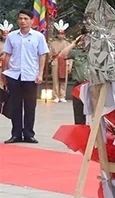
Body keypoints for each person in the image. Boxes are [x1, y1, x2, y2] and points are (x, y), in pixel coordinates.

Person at [1, 8, 49, 144]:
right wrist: (4, 73)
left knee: (30, 106)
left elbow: (42, 56)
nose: (22, 21)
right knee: (15, 105)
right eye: (20, 18)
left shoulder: (38, 37)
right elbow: (7, 55)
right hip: (14, 75)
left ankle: (29, 134)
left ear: (32, 21)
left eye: (26, 19)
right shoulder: (11, 36)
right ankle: (16, 134)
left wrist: (40, 74)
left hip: (31, 76)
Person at [48, 24, 72, 102]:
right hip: (56, 62)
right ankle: (56, 96)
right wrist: (49, 61)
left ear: (64, 34)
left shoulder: (68, 44)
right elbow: (49, 54)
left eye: (62, 33)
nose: (60, 35)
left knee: (64, 80)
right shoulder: (52, 44)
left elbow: (71, 55)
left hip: (65, 62)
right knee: (55, 80)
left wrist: (70, 65)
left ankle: (62, 96)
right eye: (59, 33)